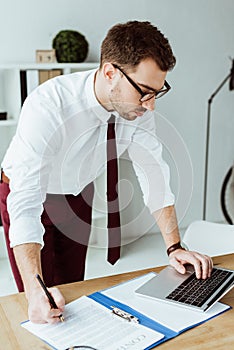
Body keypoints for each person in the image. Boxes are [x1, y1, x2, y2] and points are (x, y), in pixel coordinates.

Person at [0, 20, 213, 324]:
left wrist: (174, 246)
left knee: (71, 295)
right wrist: (34, 289)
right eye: (143, 91)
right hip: (28, 192)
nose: (150, 105)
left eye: (157, 92)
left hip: (78, 196)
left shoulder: (137, 110)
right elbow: (25, 201)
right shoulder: (48, 105)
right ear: (111, 72)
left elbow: (153, 171)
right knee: (40, 302)